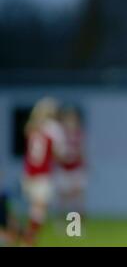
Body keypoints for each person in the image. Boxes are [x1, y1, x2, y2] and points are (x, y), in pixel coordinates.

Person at [22, 97, 66, 246]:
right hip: (42, 173)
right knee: (39, 209)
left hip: (28, 172)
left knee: (35, 207)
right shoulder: (53, 128)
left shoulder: (32, 127)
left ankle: (28, 237)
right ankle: (28, 238)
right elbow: (58, 153)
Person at [54, 106, 87, 219]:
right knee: (63, 197)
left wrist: (82, 162)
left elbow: (82, 151)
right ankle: (62, 220)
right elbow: (56, 153)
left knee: (78, 196)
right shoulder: (60, 135)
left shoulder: (79, 134)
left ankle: (78, 221)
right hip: (64, 169)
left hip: (76, 168)